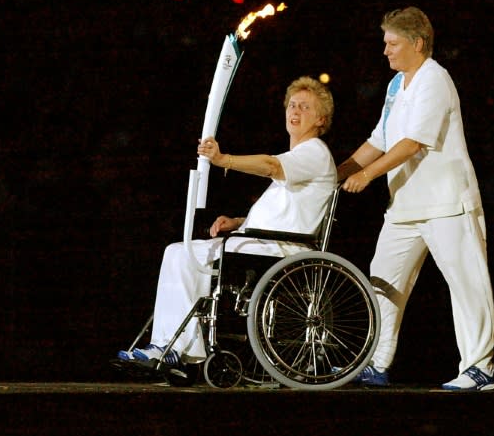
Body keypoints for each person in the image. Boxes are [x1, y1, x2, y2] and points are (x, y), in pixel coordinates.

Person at [118, 76, 337, 368]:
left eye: (306, 107)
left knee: (181, 252)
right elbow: (287, 211)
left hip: (278, 252)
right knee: (180, 252)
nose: (295, 111)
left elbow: (271, 166)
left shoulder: (314, 153)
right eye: (292, 104)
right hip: (258, 242)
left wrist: (224, 160)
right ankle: (173, 346)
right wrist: (238, 221)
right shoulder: (298, 156)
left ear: (321, 119)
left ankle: (176, 348)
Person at [337, 7, 494, 391]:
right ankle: (377, 363)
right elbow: (380, 139)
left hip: (447, 204)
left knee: (466, 284)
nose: (386, 51)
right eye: (385, 43)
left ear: (418, 43)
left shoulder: (435, 80)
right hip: (405, 206)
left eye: (393, 43)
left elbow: (412, 142)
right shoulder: (397, 85)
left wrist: (366, 176)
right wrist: (337, 172)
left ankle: (480, 368)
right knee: (382, 281)